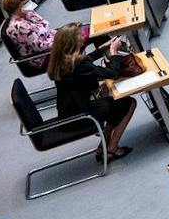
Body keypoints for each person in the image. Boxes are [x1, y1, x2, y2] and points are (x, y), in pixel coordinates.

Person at [48, 25, 135, 157]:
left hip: (68, 112)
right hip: (82, 117)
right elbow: (112, 73)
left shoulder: (60, 60)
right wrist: (114, 53)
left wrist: (101, 50)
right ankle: (112, 147)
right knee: (129, 102)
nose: (83, 38)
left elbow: (82, 62)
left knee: (109, 94)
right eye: (79, 37)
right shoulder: (78, 64)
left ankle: (105, 142)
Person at [0, 0, 71, 75]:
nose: (29, 4)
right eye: (25, 3)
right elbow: (40, 47)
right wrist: (62, 40)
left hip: (51, 44)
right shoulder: (19, 27)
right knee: (79, 39)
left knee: (79, 34)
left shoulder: (29, 13)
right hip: (41, 57)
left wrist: (63, 35)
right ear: (16, 8)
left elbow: (47, 28)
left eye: (29, 0)